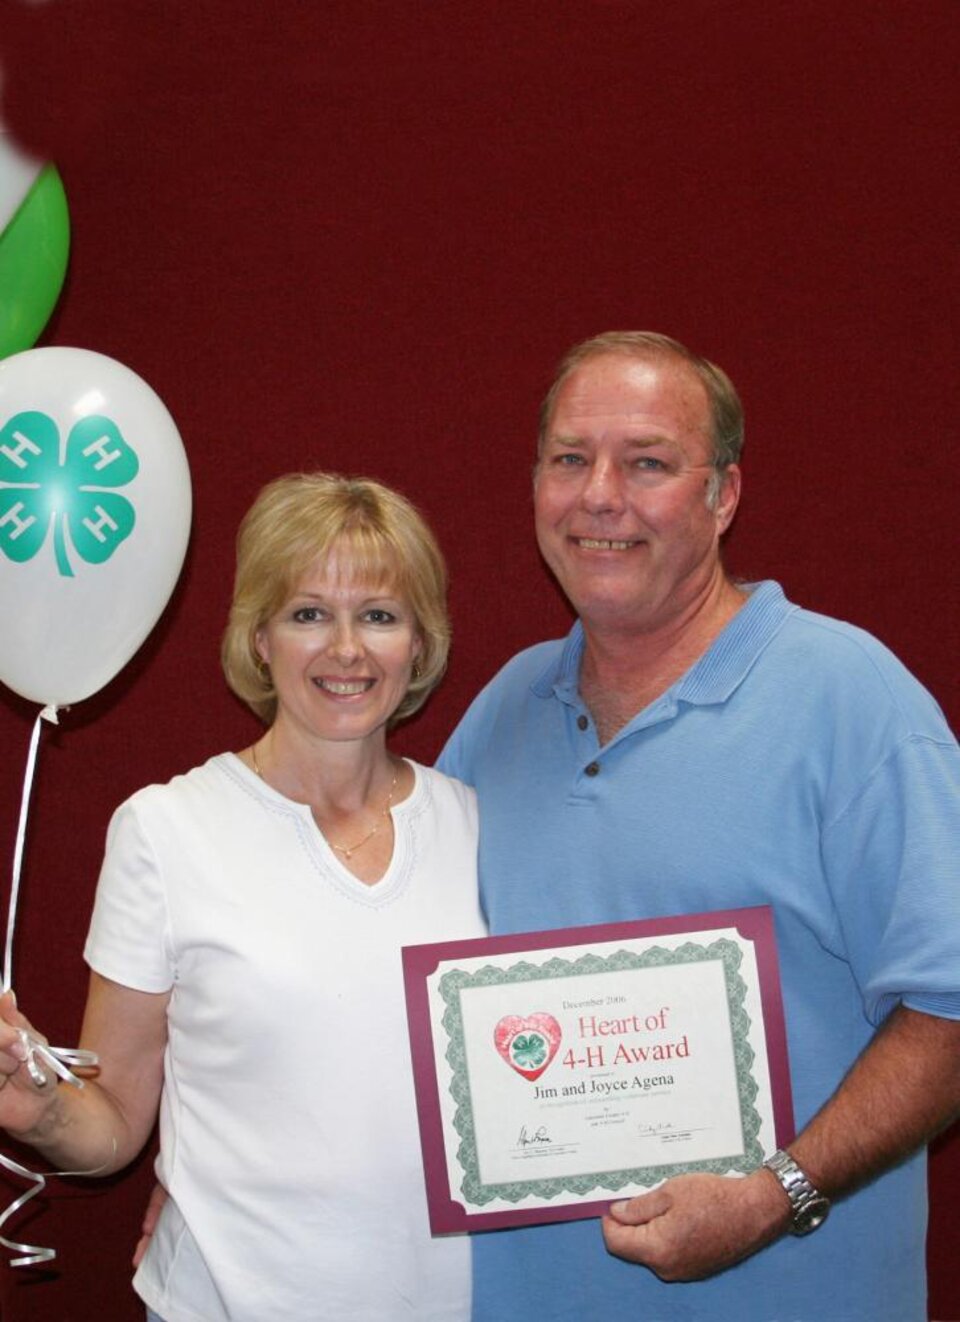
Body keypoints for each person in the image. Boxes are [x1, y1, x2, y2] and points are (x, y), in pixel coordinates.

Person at [439, 332, 960, 1321]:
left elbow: (952, 1011)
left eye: (647, 462)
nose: (599, 495)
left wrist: (776, 1193)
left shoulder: (851, 701)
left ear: (722, 495)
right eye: (568, 458)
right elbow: (389, 983)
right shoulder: (503, 712)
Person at [0, 472, 484, 1321]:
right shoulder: (165, 830)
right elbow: (113, 1125)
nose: (346, 649)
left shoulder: (477, 825)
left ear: (420, 641)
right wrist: (36, 1106)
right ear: (258, 637)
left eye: (379, 614)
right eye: (307, 614)